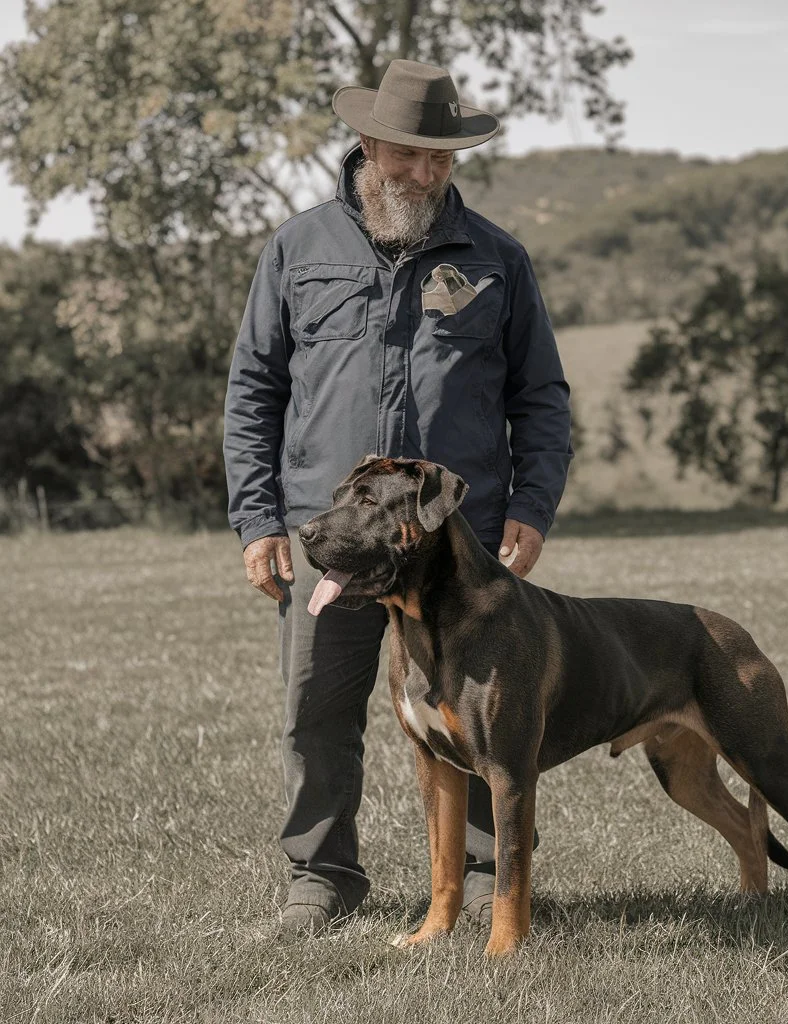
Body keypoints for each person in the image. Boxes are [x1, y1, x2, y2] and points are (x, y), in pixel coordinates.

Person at [222, 58, 573, 934]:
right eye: (412, 155)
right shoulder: (298, 250)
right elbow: (254, 391)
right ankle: (322, 880)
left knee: (491, 719)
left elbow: (540, 397)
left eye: (444, 159)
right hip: (334, 539)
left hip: (463, 547)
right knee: (316, 708)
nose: (428, 173)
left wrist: (532, 505)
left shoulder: (497, 259)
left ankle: (495, 884)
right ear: (369, 143)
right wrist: (259, 519)